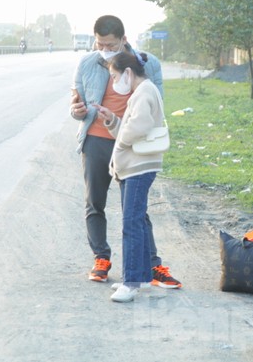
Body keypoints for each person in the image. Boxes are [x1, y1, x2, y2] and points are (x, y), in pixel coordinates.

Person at [70, 15, 181, 289]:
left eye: (110, 44)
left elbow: (158, 104)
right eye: (100, 44)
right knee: (94, 201)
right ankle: (101, 259)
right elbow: (75, 102)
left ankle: (153, 265)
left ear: (124, 40)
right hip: (97, 138)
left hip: (132, 143)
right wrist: (77, 111)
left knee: (135, 208)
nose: (105, 50)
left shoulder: (147, 63)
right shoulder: (87, 62)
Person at [93, 52, 165, 302]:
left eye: (114, 76)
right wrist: (113, 120)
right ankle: (142, 275)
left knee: (131, 223)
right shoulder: (143, 90)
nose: (114, 82)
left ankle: (131, 282)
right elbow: (132, 125)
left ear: (128, 73)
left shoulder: (144, 91)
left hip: (138, 167)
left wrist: (121, 141)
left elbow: (139, 126)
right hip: (137, 165)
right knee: (138, 223)